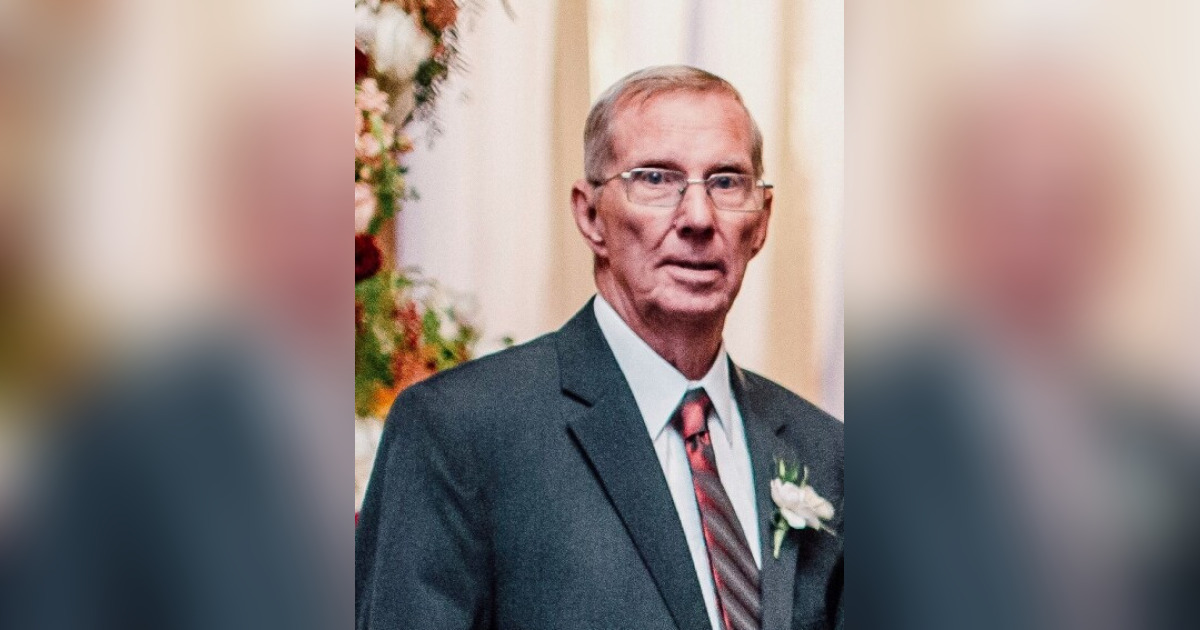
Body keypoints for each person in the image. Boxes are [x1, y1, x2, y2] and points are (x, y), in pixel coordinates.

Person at [355, 65, 843, 630]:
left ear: (761, 223)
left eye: (727, 182)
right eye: (656, 179)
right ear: (590, 216)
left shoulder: (826, 454)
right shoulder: (459, 433)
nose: (698, 217)